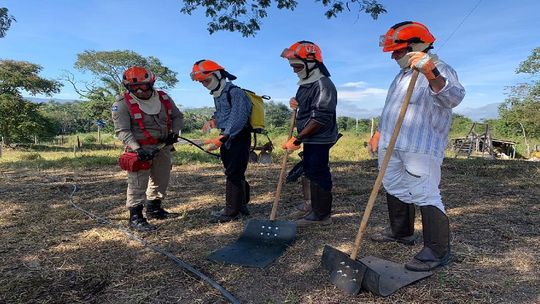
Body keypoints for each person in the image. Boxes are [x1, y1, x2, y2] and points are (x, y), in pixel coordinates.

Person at [371, 21, 466, 271]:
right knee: (392, 184)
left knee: (424, 192)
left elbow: (453, 98)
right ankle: (401, 232)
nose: (393, 56)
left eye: (398, 51)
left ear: (416, 46)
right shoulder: (401, 75)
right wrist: (379, 133)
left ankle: (437, 251)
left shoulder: (441, 68)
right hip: (393, 142)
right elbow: (390, 108)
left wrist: (430, 72)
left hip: (419, 145)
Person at [112, 66, 184, 232]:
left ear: (151, 83)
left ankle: (154, 208)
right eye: (133, 88)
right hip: (139, 149)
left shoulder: (164, 98)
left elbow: (177, 116)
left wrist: (174, 132)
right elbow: (122, 130)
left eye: (143, 86)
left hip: (163, 147)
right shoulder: (122, 105)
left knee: (161, 179)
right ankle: (135, 217)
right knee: (137, 182)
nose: (139, 91)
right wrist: (137, 149)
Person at [280, 41, 339, 227]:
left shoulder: (323, 85)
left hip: (320, 137)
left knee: (318, 172)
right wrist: (296, 102)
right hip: (310, 137)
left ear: (311, 63)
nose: (294, 70)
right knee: (311, 171)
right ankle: (315, 207)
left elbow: (320, 118)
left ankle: (322, 215)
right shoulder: (306, 84)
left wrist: (297, 139)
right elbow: (307, 106)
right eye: (292, 66)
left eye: (297, 66)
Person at [190, 59, 252, 223]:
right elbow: (223, 113)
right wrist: (213, 121)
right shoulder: (219, 94)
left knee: (233, 172)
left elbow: (239, 117)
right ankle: (241, 205)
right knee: (234, 170)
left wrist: (223, 137)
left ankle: (231, 211)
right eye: (201, 82)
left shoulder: (235, 92)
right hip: (228, 136)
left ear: (217, 75)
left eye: (206, 80)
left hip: (238, 136)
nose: (204, 84)